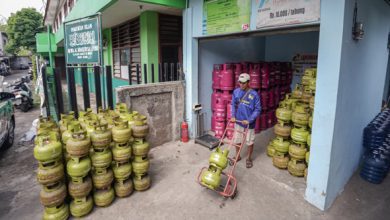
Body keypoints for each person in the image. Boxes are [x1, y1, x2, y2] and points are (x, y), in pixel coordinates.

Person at [230, 73, 261, 168]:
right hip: (239, 121)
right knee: (237, 139)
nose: (241, 85)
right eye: (240, 82)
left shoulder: (254, 94)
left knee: (249, 141)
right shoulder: (236, 92)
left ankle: (248, 158)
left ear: (248, 82)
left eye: (243, 83)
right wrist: (233, 116)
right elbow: (233, 105)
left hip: (249, 123)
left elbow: (258, 109)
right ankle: (237, 156)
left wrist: (250, 120)